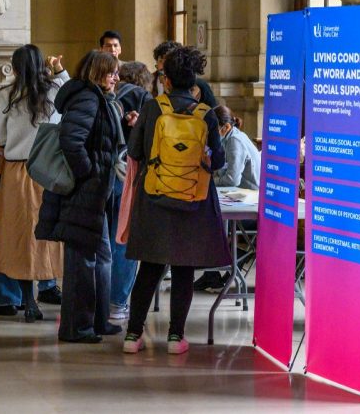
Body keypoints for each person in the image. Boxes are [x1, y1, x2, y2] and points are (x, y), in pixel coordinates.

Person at [123, 46, 230, 355]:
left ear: (166, 80)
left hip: (155, 198)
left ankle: (133, 335)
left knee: (149, 269)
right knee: (183, 270)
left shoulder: (152, 108)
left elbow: (135, 151)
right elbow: (218, 160)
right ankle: (175, 337)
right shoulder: (205, 114)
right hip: (193, 201)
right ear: (193, 82)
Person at [37, 50, 123, 343]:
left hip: (95, 192)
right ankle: (76, 327)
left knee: (100, 257)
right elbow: (72, 141)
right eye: (112, 72)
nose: (116, 78)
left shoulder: (98, 98)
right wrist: (87, 173)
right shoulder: (87, 98)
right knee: (81, 261)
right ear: (98, 73)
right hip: (84, 191)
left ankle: (97, 320)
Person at [0, 46, 68, 323]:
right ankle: (50, 285)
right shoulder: (55, 90)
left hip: (17, 171)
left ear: (15, 67)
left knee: (20, 235)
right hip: (49, 169)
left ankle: (28, 300)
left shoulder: (6, 94)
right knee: (50, 233)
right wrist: (59, 70)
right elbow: (68, 102)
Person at [107, 61, 153, 321]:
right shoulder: (144, 98)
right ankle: (118, 301)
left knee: (105, 238)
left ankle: (101, 298)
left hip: (107, 174)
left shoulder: (108, 95)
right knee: (124, 239)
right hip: (130, 176)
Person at [153, 41, 217, 107]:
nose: (164, 65)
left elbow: (213, 109)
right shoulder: (150, 80)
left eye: (167, 60)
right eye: (160, 61)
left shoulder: (199, 85)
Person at [213, 105, 260, 190]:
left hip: (250, 192)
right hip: (238, 190)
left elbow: (232, 180)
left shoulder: (235, 140)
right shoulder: (226, 138)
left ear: (226, 127)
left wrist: (210, 181)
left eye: (213, 129)